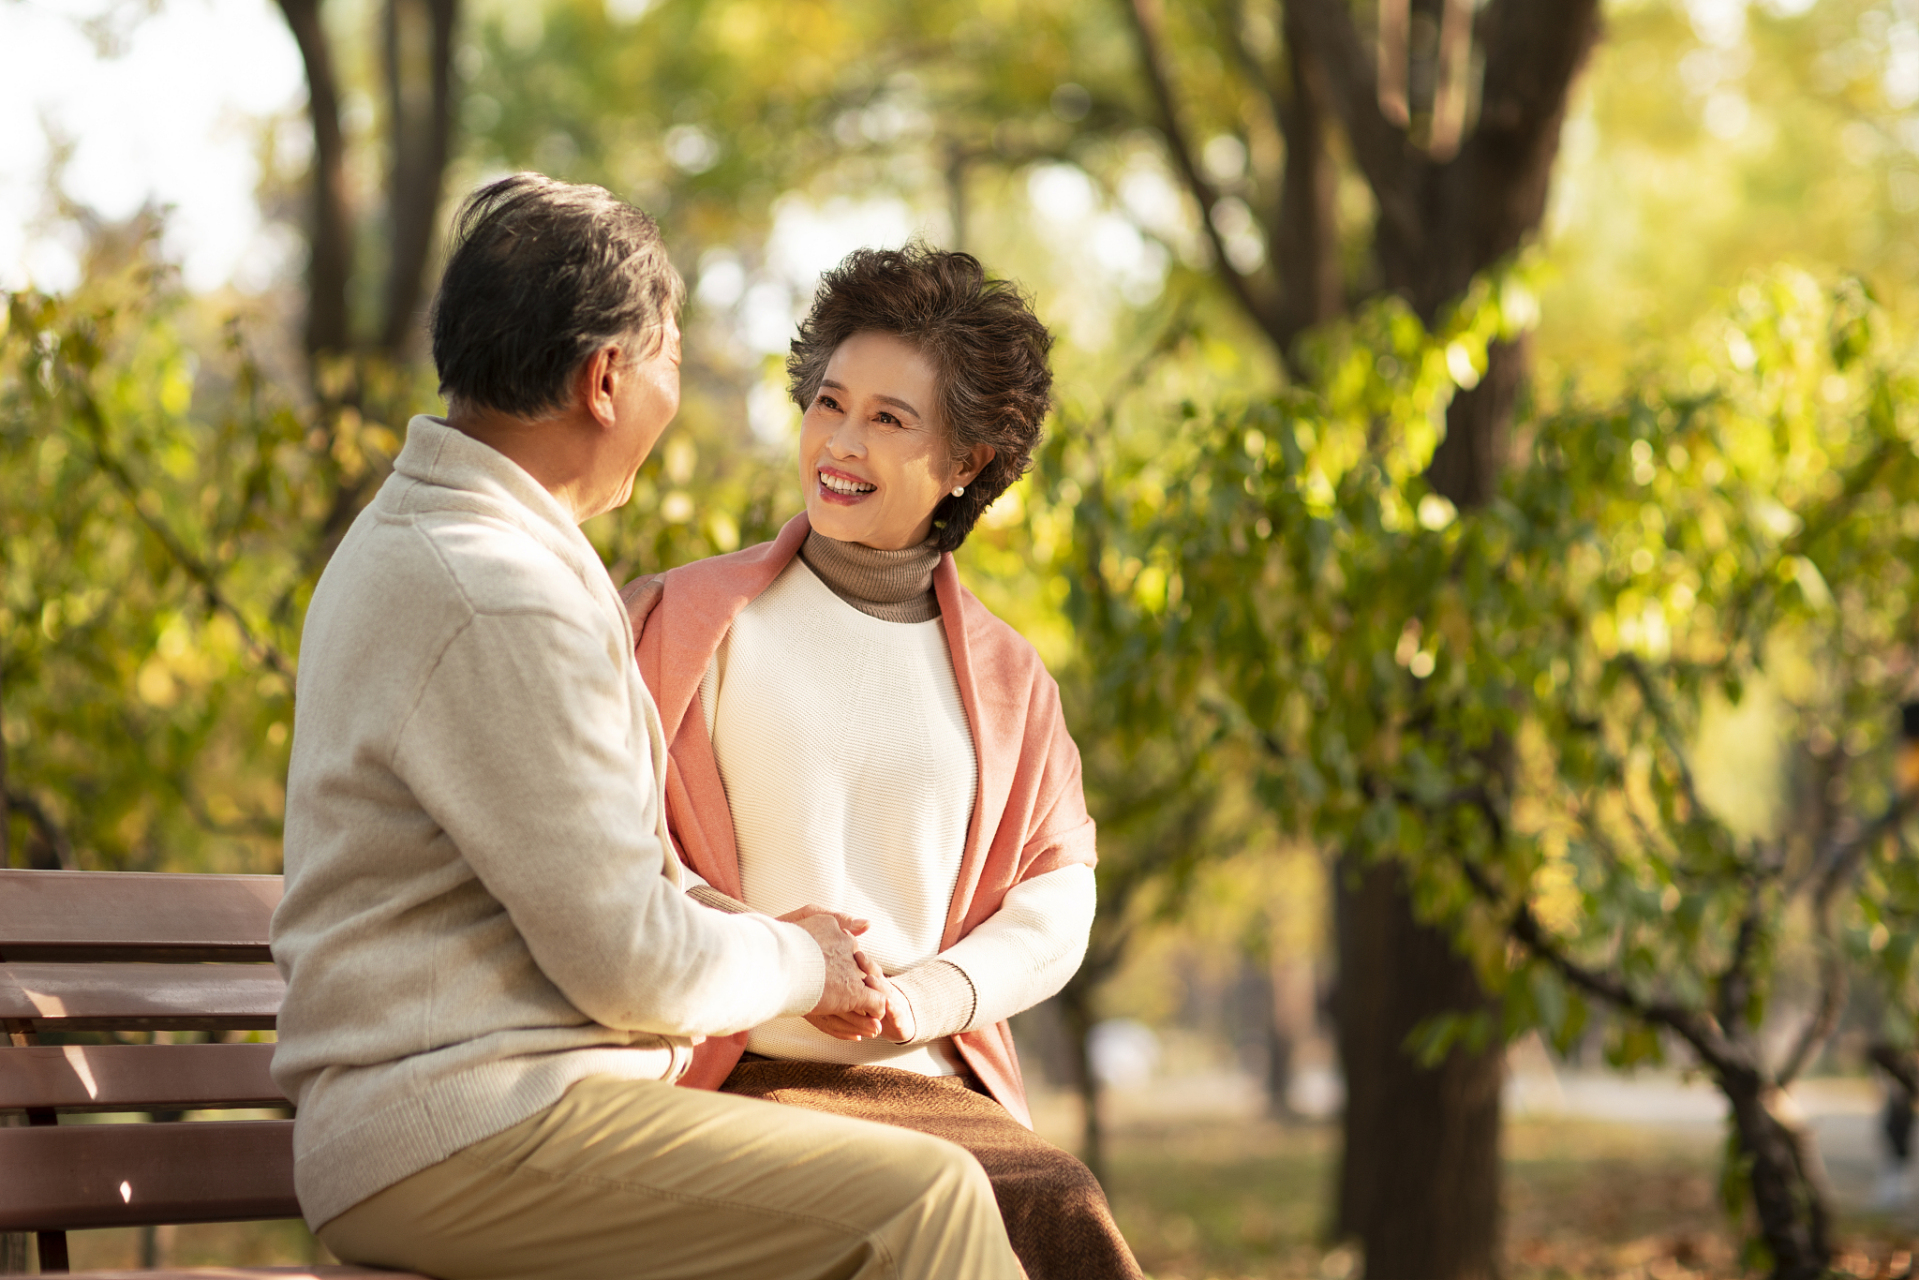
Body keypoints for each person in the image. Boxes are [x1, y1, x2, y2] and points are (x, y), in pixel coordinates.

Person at [270, 176, 1023, 1280]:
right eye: (669, 351)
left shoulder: (459, 542)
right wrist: (803, 960)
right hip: (468, 1130)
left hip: (498, 1111)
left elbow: (597, 881)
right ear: (604, 377)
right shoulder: (492, 589)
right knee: (921, 1200)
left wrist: (740, 919)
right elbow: (630, 961)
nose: (680, 383)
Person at [622, 243, 1144, 1279]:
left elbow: (1056, 895)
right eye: (828, 402)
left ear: (968, 462)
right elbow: (611, 855)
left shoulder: (1007, 679)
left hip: (930, 1079)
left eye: (888, 418)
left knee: (1058, 1203)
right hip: (736, 1074)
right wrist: (782, 958)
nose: (839, 442)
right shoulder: (679, 624)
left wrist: (926, 996)